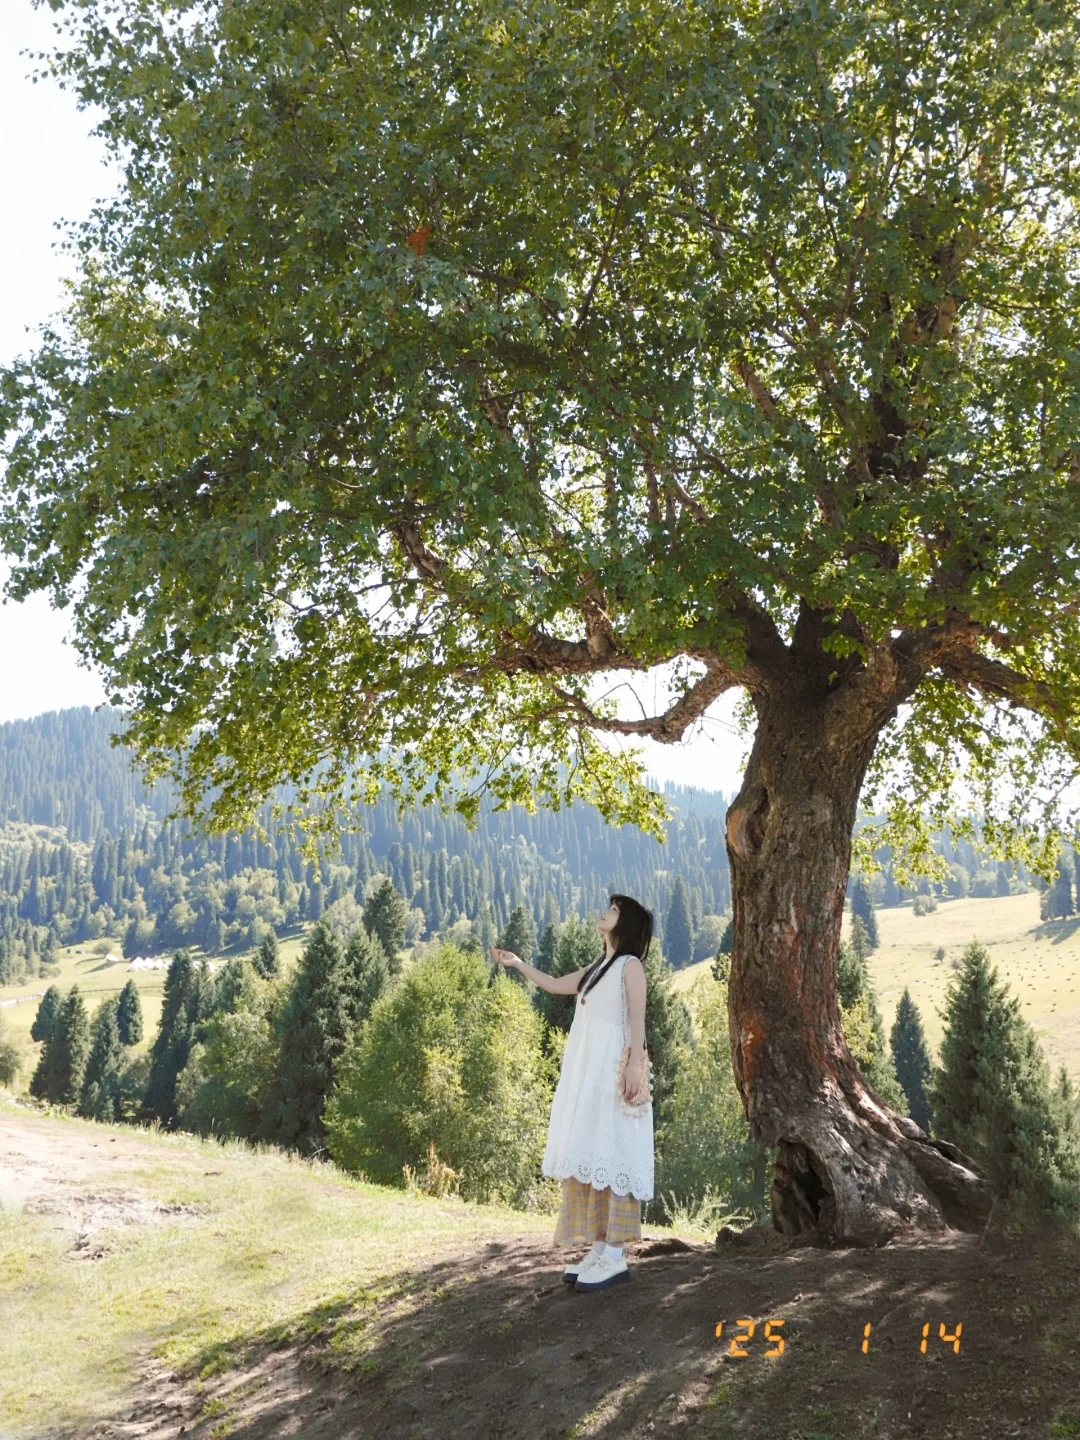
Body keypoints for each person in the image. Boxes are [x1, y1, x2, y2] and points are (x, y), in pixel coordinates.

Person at [490, 893, 654, 1292]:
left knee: (614, 1151)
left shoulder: (630, 967)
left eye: (614, 910)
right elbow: (552, 984)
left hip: (614, 1072)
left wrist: (633, 1065)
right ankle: (599, 1248)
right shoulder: (599, 967)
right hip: (589, 1073)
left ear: (625, 924)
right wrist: (516, 963)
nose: (605, 912)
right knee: (595, 1151)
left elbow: (637, 1019)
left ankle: (615, 1255)